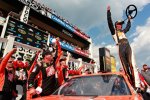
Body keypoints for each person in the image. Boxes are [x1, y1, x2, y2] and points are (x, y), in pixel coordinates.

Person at [107, 5, 140, 89]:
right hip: (120, 48)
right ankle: (130, 85)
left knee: (132, 64)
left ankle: (137, 86)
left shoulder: (123, 31)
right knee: (125, 68)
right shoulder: (114, 32)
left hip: (127, 46)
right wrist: (108, 12)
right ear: (116, 25)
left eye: (121, 24)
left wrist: (129, 20)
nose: (120, 25)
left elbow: (128, 27)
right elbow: (110, 23)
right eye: (118, 24)